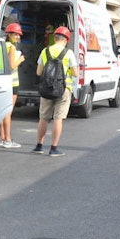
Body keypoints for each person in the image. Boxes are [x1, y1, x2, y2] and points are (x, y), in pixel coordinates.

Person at [32, 26, 77, 157]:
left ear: (54, 38)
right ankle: (53, 148)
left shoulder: (45, 51)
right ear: (66, 39)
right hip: (63, 89)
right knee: (58, 118)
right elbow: (75, 73)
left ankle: (39, 146)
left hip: (46, 89)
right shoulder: (68, 53)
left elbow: (38, 72)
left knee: (43, 118)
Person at [0, 22, 24, 148]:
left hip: (1, 81)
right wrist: (20, 59)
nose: (18, 37)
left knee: (2, 111)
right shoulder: (12, 48)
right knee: (8, 112)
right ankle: (8, 140)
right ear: (9, 34)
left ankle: (2, 138)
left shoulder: (1, 45)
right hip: (12, 83)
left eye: (19, 35)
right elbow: (12, 66)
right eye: (15, 34)